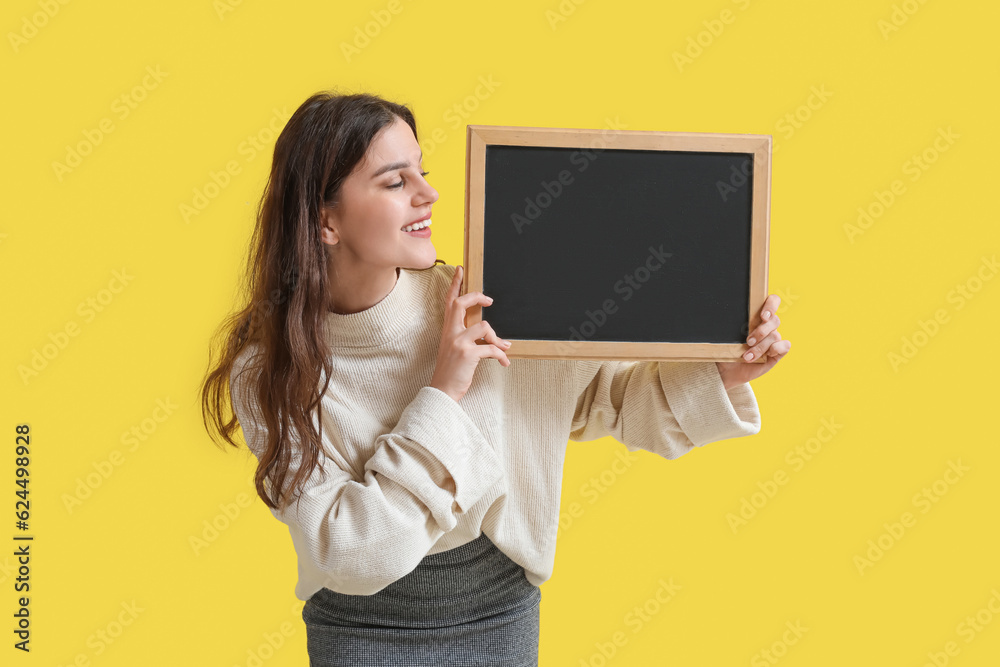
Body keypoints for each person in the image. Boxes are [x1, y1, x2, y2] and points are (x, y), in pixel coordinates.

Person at [200, 91, 791, 667]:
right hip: (358, 630)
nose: (428, 195)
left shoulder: (484, 303)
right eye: (395, 181)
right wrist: (442, 391)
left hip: (498, 614)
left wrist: (724, 372)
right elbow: (351, 554)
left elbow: (613, 401)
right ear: (326, 221)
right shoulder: (270, 372)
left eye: (423, 173)